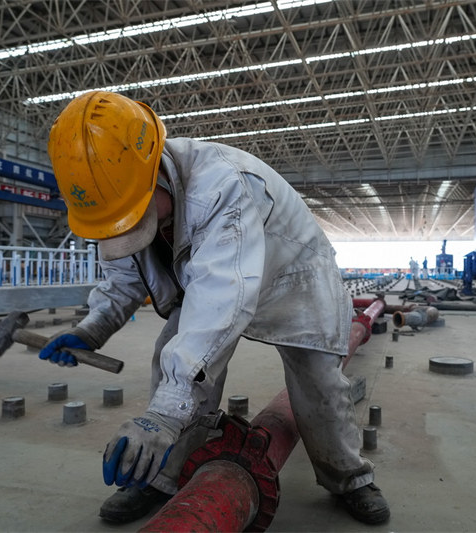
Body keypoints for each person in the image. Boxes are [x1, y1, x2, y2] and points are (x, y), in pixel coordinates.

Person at [40, 90, 390, 526]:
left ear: (156, 173)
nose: (129, 229)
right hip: (213, 280)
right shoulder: (117, 195)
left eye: (135, 217)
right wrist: (92, 328)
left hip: (293, 275)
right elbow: (125, 275)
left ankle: (349, 477)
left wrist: (163, 415)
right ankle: (161, 475)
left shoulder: (223, 187)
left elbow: (219, 304)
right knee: (171, 356)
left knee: (318, 379)